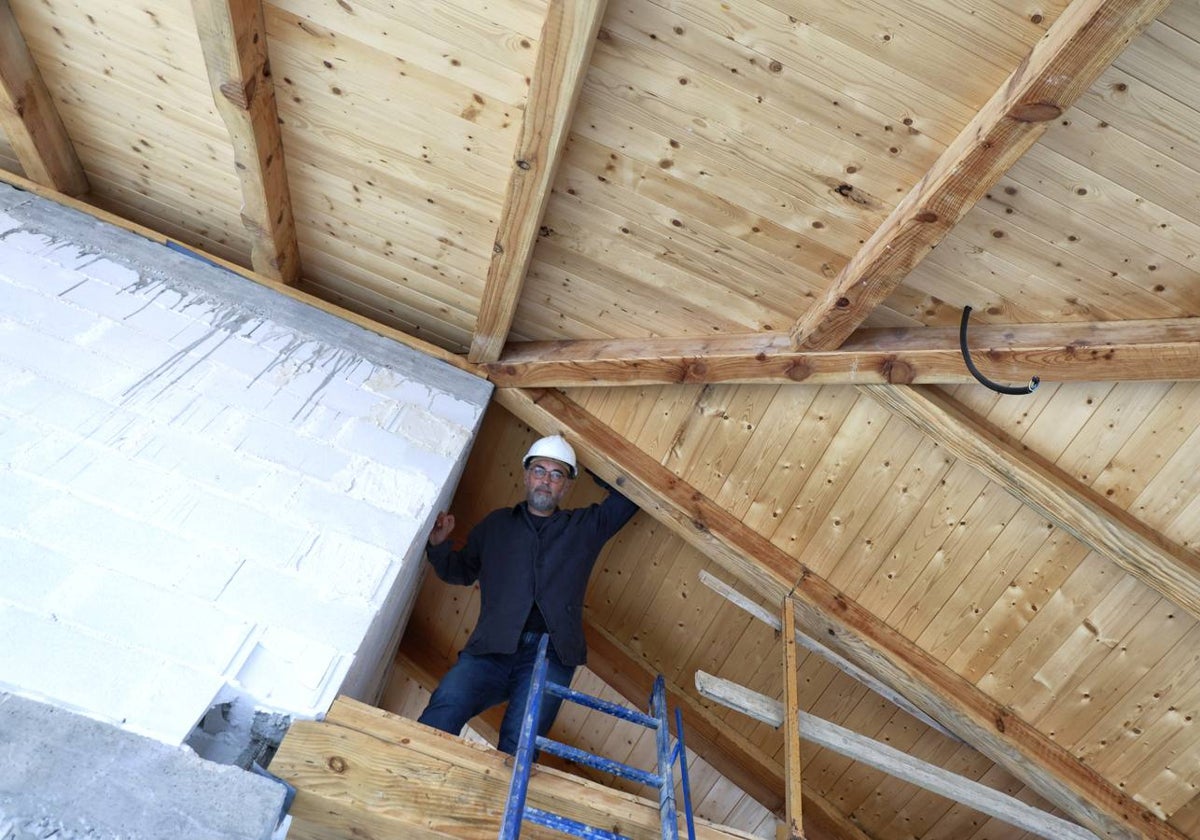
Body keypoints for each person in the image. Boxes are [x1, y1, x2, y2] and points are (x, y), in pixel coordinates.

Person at [416, 434, 639, 754]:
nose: (546, 481)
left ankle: (499, 806)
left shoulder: (584, 527)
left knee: (520, 746)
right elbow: (461, 571)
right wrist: (438, 547)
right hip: (490, 649)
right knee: (443, 710)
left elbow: (626, 499)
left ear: (567, 485)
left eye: (557, 474)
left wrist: (589, 459)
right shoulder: (496, 526)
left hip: (552, 655)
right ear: (525, 475)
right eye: (539, 470)